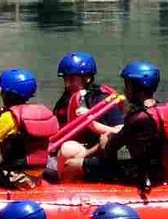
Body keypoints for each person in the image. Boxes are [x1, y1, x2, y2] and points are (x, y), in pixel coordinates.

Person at [86, 61, 168, 192]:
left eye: (127, 85)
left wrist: (104, 141)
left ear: (136, 87)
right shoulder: (166, 110)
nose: (125, 90)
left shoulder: (138, 118)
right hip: (161, 174)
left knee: (71, 165)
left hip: (138, 175)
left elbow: (110, 150)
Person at [51, 52, 124, 182]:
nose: (67, 84)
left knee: (68, 148)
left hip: (95, 152)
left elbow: (121, 130)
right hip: (66, 151)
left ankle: (64, 186)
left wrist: (92, 123)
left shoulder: (103, 99)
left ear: (87, 78)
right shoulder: (65, 99)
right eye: (65, 79)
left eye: (71, 79)